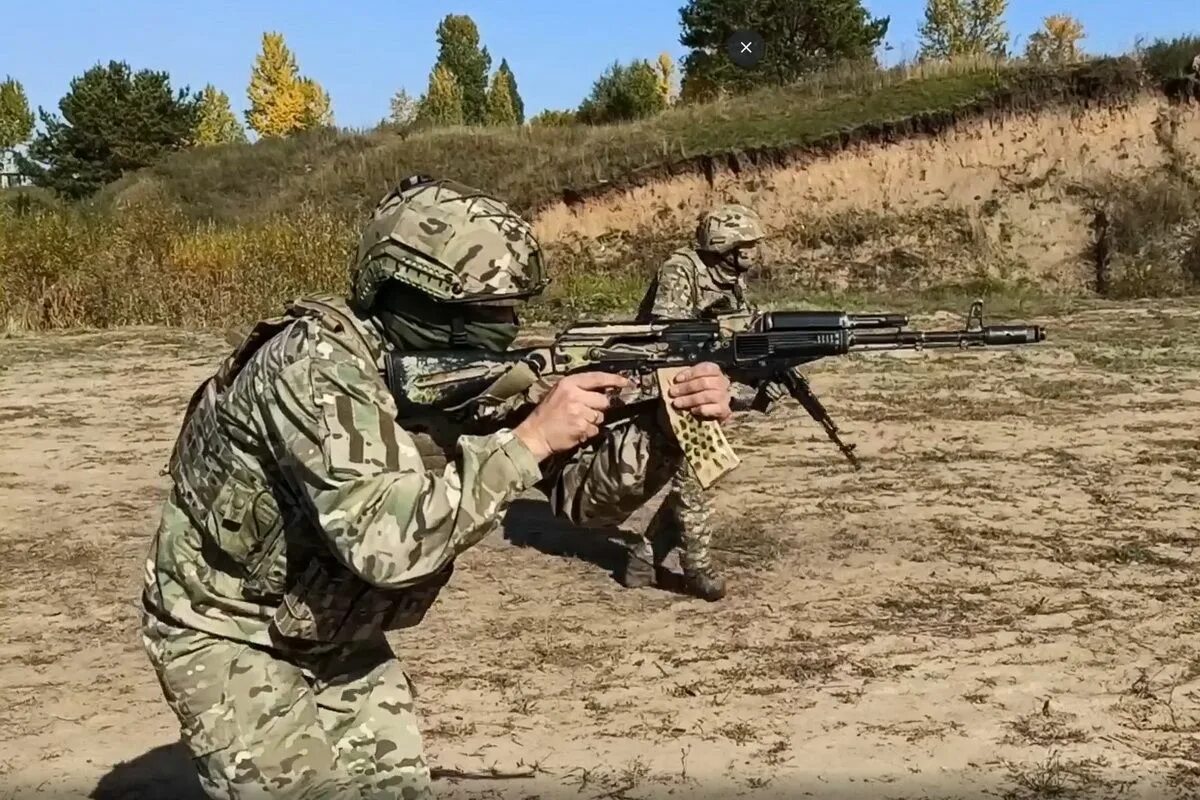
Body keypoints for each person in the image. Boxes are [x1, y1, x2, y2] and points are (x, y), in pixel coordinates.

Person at [139, 176, 735, 799]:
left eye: (509, 309)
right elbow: (386, 546)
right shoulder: (312, 364)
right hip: (226, 627)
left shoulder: (460, 374)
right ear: (414, 297)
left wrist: (666, 426)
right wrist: (530, 440)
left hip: (329, 621)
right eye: (486, 312)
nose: (506, 329)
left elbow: (588, 500)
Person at [624, 203, 778, 601]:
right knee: (698, 469)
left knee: (702, 469)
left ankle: (644, 558)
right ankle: (697, 567)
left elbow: (737, 335)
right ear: (728, 246)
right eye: (748, 244)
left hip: (697, 378)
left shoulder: (729, 279)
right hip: (663, 377)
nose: (754, 252)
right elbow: (672, 335)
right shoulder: (682, 269)